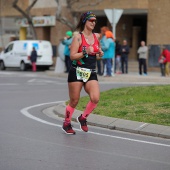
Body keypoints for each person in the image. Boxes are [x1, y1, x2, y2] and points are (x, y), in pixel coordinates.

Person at [62, 11, 104, 135]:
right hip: (77, 71)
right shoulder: (78, 37)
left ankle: (83, 118)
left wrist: (99, 54)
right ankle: (66, 123)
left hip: (90, 72)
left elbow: (97, 55)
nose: (93, 23)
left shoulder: (97, 36)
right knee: (74, 100)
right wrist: (86, 52)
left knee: (95, 98)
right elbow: (72, 56)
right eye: (91, 20)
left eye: (95, 21)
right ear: (85, 21)